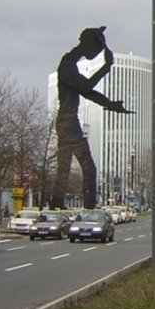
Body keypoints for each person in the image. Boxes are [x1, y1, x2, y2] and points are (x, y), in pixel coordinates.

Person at [52, 26, 133, 209]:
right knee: (88, 169)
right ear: (87, 44)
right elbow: (87, 87)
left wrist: (111, 104)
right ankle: (87, 208)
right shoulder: (67, 64)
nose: (96, 53)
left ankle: (57, 204)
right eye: (96, 49)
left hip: (66, 122)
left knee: (65, 168)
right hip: (68, 122)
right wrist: (106, 67)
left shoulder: (69, 64)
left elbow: (87, 91)